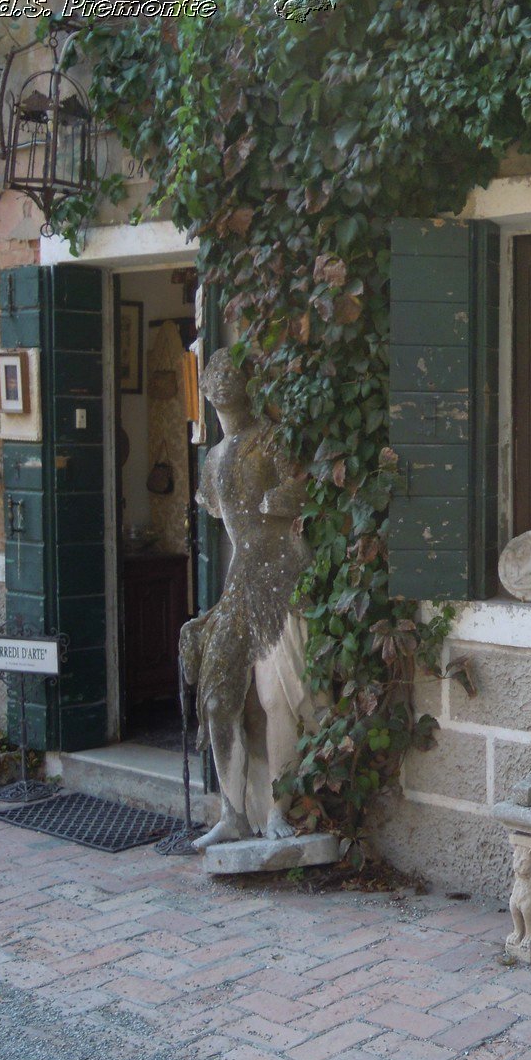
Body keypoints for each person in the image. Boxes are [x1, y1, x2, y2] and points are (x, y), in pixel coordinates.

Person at [180, 352, 314, 848]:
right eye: (215, 383)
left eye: (230, 381)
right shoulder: (213, 459)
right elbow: (217, 512)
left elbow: (301, 491)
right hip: (240, 583)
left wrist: (274, 502)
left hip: (279, 576)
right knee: (217, 697)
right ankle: (233, 813)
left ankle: (278, 808)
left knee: (279, 698)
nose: (221, 390)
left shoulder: (271, 439)